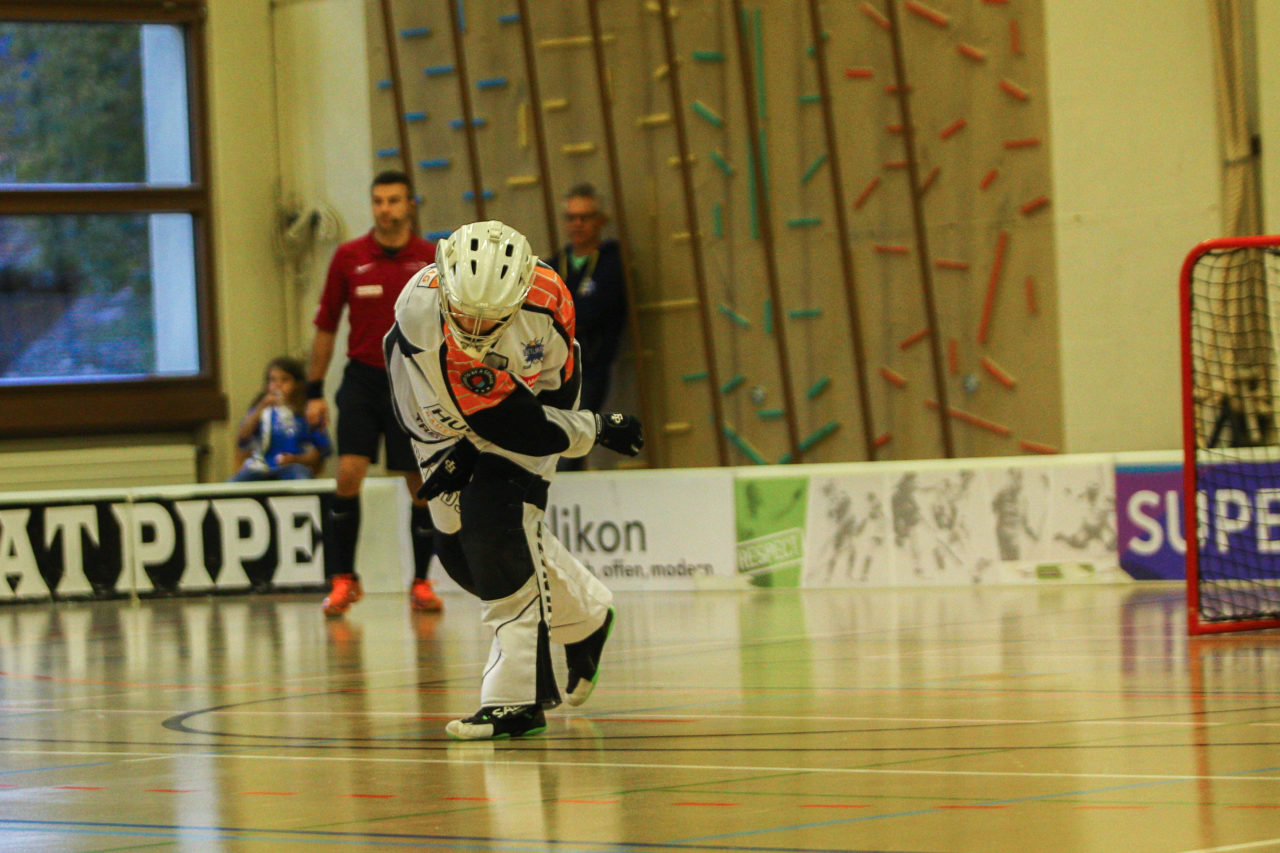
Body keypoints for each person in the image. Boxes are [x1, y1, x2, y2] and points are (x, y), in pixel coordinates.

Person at [384, 220, 644, 739]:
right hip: (435, 415)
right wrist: (595, 429)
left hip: (527, 407)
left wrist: (574, 429)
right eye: (465, 315)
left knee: (495, 528)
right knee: (460, 559)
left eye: (492, 320)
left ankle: (515, 698)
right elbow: (424, 395)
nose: (475, 332)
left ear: (521, 291)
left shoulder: (551, 301)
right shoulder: (416, 311)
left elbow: (541, 403)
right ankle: (587, 616)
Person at [305, 170, 443, 616]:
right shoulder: (348, 257)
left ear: (410, 205)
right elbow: (326, 326)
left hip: (412, 381)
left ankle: (422, 582)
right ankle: (344, 579)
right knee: (347, 475)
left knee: (420, 485)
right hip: (362, 380)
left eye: (394, 201)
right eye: (379, 201)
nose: (386, 209)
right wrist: (313, 390)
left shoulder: (430, 259)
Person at [546, 183, 629, 471]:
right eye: (571, 217)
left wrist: (562, 319)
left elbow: (591, 312)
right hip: (551, 369)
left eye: (585, 217)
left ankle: (570, 509)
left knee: (572, 443)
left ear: (600, 220)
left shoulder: (612, 264)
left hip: (590, 367)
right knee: (553, 444)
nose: (577, 224)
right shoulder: (554, 265)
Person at [231, 357, 331, 481]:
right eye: (273, 380)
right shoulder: (261, 409)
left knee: (300, 476)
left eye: (284, 380)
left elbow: (320, 451)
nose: (277, 385)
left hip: (294, 466)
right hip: (260, 468)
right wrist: (261, 407)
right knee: (234, 484)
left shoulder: (306, 412)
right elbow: (242, 437)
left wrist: (296, 459)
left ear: (297, 384)